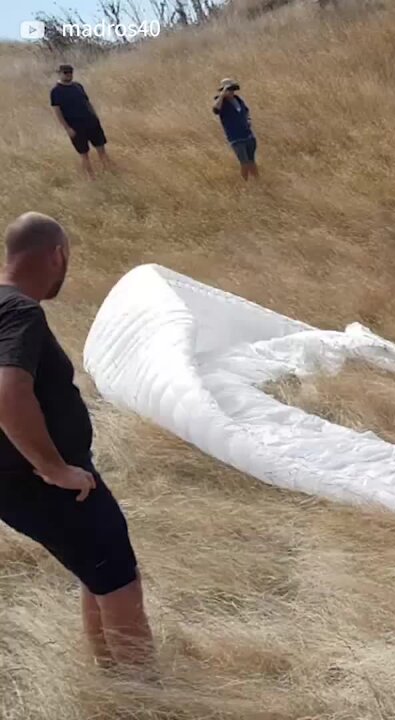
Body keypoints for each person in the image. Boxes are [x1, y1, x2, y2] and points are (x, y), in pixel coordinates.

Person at [0, 212, 154, 668]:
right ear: (57, 255)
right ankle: (144, 695)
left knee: (97, 572)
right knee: (119, 578)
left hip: (18, 483)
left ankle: (109, 672)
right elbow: (8, 391)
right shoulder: (20, 311)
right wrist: (53, 468)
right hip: (39, 482)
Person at [49, 64, 112, 180]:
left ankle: (109, 173)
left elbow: (87, 102)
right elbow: (57, 111)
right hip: (76, 126)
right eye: (65, 72)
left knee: (101, 149)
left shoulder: (78, 86)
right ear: (59, 73)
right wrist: (67, 128)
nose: (68, 75)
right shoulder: (56, 91)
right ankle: (91, 178)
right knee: (84, 154)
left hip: (91, 122)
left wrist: (95, 116)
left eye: (70, 72)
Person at [212, 78, 259, 181]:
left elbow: (246, 111)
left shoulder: (238, 99)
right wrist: (222, 95)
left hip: (248, 135)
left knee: (251, 161)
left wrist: (249, 119)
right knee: (244, 162)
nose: (231, 91)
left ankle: (257, 182)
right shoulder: (220, 101)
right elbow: (215, 109)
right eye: (229, 89)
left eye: (233, 89)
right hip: (236, 138)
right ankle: (245, 183)